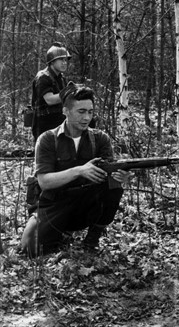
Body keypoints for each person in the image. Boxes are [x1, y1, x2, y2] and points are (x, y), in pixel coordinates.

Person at [20, 85, 132, 257]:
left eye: (90, 111)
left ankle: (92, 240)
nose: (86, 117)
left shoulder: (100, 139)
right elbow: (44, 182)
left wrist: (120, 177)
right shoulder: (48, 139)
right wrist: (79, 171)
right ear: (66, 111)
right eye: (81, 111)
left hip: (86, 202)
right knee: (30, 248)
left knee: (114, 188)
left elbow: (110, 177)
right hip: (54, 203)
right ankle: (61, 233)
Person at [31, 42, 71, 141]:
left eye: (66, 60)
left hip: (59, 123)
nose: (64, 63)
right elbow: (50, 100)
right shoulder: (43, 77)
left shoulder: (62, 78)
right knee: (45, 153)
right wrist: (69, 92)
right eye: (61, 60)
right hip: (44, 125)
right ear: (52, 61)